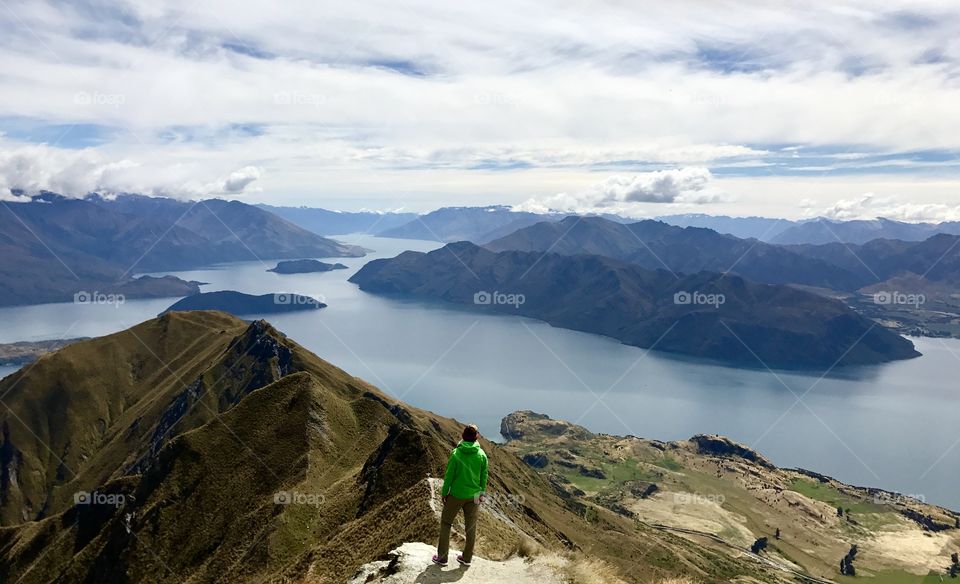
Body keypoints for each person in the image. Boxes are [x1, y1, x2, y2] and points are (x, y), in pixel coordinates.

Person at [433, 423, 488, 567]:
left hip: (456, 495)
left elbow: (449, 476)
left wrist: (445, 493)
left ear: (463, 436)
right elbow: (484, 477)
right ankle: (467, 558)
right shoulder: (482, 455)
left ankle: (442, 558)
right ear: (476, 437)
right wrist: (481, 493)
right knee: (471, 527)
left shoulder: (456, 454)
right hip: (474, 495)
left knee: (446, 523)